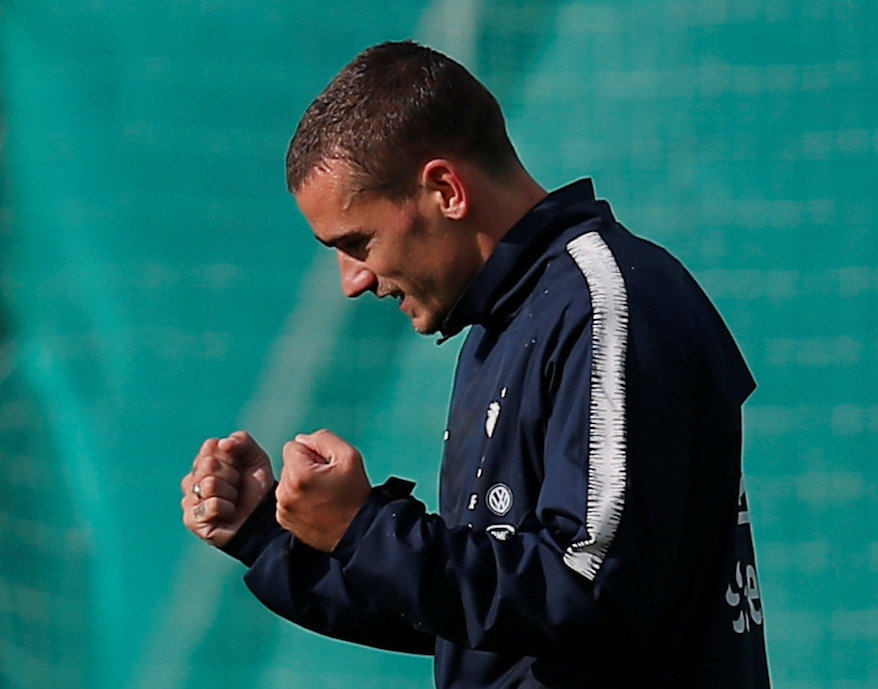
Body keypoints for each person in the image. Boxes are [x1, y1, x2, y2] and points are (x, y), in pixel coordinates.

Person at [180, 40, 770, 688]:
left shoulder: (611, 303)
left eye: (357, 242)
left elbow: (587, 588)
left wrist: (365, 527)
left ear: (444, 189)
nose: (352, 280)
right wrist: (273, 535)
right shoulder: (507, 323)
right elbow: (480, 620)